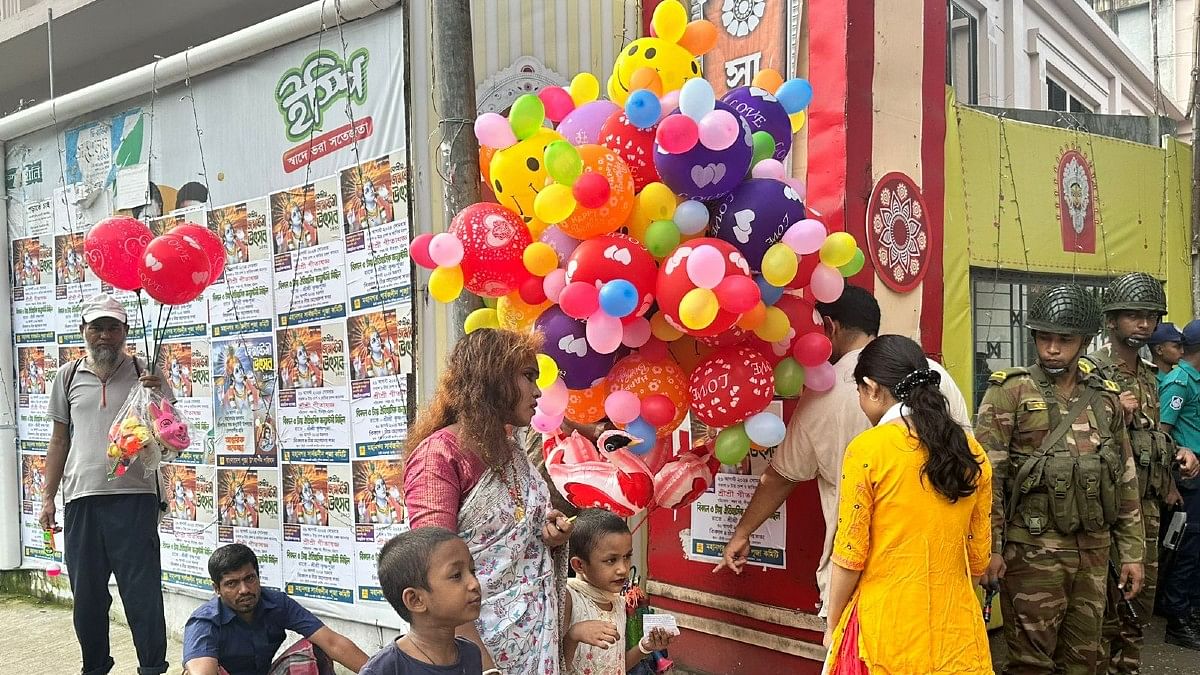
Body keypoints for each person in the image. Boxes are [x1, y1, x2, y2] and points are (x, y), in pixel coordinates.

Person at [714, 285, 971, 618]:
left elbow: (781, 476)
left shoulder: (825, 392)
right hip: (940, 574)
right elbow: (972, 463)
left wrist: (741, 533)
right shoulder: (934, 375)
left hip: (862, 585)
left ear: (829, 327)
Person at [976, 284, 1145, 674]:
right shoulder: (1010, 392)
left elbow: (1125, 480)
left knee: (1088, 659)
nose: (1053, 348)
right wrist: (991, 548)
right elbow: (990, 479)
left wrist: (1133, 553)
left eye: (1065, 339)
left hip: (1094, 555)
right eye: (1044, 338)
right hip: (1032, 554)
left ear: (1084, 341)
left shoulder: (1104, 399)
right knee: (1030, 662)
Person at [403, 329, 573, 675]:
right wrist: (481, 666)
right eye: (528, 377)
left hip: (535, 642)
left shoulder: (511, 450)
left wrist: (547, 533)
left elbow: (516, 526)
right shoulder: (439, 456)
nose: (539, 391)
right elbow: (434, 569)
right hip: (476, 648)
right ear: (493, 376)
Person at [821, 335, 992, 673]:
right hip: (956, 630)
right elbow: (979, 558)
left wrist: (833, 626)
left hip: (886, 629)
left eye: (858, 392)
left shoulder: (868, 450)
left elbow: (850, 556)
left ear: (871, 388)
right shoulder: (972, 452)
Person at [40, 293, 175, 675]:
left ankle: (152, 668)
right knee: (87, 600)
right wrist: (48, 498)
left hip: (134, 498)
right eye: (96, 327)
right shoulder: (66, 376)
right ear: (84, 331)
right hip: (81, 500)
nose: (104, 336)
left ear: (125, 332)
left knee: (142, 595)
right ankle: (94, 667)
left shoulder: (144, 370)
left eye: (112, 328)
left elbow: (171, 435)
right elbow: (59, 440)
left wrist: (159, 394)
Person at [1087, 273, 1178, 672]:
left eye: (1149, 316)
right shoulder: (1091, 372)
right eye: (1133, 316)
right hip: (1109, 510)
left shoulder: (1149, 376)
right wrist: (1108, 411)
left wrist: (1177, 466)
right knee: (1104, 608)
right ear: (1112, 321)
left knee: (1138, 606)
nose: (1143, 324)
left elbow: (1152, 436)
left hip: (1148, 508)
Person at [182, 544, 369, 675]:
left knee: (315, 650)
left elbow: (332, 642)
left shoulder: (277, 603)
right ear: (217, 589)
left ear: (258, 576)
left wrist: (380, 670)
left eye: (249, 578)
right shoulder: (204, 621)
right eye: (232, 584)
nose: (244, 589)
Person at [563, 510, 674, 675]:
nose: (623, 569)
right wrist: (573, 635)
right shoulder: (569, 598)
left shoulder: (618, 601)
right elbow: (553, 664)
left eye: (627, 556)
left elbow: (619, 665)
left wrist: (645, 647)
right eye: (610, 560)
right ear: (579, 565)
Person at [361, 527, 484, 675]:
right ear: (416, 600)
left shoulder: (471, 654)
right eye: (456, 575)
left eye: (472, 571)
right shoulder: (386, 669)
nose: (474, 584)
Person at [1155, 319, 1200, 650]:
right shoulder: (1180, 382)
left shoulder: (1193, 380)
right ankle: (1177, 617)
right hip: (1186, 477)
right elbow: (1162, 433)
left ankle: (1190, 609)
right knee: (1186, 545)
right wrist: (1170, 478)